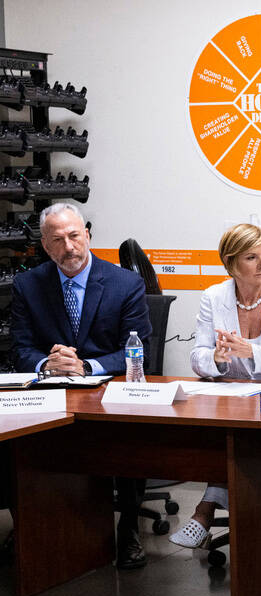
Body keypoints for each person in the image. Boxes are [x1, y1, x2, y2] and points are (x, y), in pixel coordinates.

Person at [10, 202, 152, 569]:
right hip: (52, 392)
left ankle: (129, 527)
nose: (69, 247)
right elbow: (21, 348)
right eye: (57, 240)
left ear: (87, 235)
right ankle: (32, 527)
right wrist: (47, 364)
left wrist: (86, 365)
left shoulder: (125, 283)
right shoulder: (28, 284)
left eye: (74, 236)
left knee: (129, 439)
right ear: (44, 246)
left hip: (110, 392)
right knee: (18, 444)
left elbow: (139, 351)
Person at [170, 223, 261, 549]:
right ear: (231, 263)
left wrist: (251, 351)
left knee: (243, 435)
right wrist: (218, 358)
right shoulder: (213, 297)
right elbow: (198, 356)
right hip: (232, 398)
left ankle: (205, 511)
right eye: (252, 257)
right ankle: (244, 518)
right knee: (226, 430)